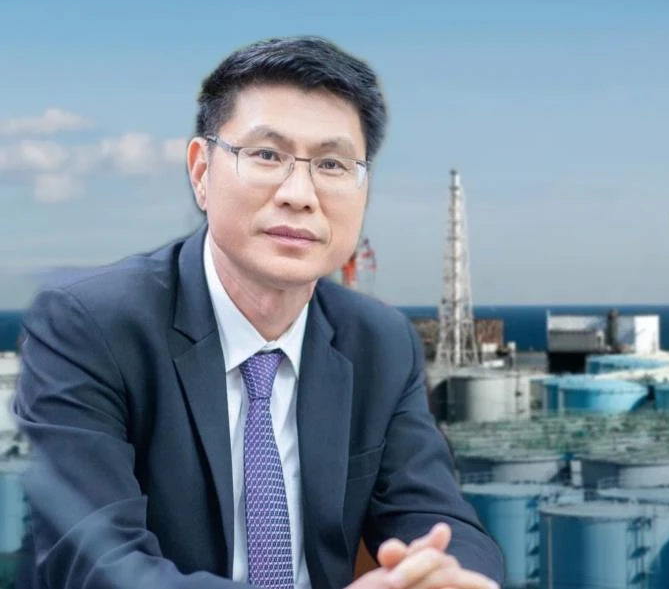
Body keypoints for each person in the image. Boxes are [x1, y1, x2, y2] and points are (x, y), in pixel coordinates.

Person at [13, 36, 505, 589]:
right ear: (201, 171)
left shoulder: (380, 340)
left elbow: (440, 520)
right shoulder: (90, 326)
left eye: (333, 163)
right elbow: (95, 564)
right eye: (267, 155)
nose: (300, 193)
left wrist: (448, 575)